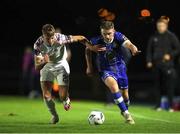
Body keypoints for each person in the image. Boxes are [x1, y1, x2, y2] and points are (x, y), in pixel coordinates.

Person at [34, 24, 93, 124]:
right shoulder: (38, 44)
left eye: (52, 38)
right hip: (47, 66)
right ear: (43, 36)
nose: (50, 41)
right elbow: (37, 67)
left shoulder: (61, 38)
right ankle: (54, 115)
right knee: (46, 96)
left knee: (62, 96)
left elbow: (80, 38)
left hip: (61, 65)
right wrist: (44, 62)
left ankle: (66, 99)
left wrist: (91, 47)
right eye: (48, 38)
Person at [85, 21, 140, 124]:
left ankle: (125, 108)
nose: (107, 36)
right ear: (101, 32)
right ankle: (126, 114)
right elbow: (87, 49)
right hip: (105, 69)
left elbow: (129, 44)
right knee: (114, 87)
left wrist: (133, 49)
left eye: (109, 33)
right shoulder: (96, 40)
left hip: (120, 68)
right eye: (104, 33)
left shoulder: (118, 36)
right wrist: (89, 66)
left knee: (125, 96)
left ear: (113, 31)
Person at [146, 16, 180, 112]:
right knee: (157, 85)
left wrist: (170, 55)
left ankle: (170, 106)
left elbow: (178, 49)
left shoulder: (171, 36)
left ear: (166, 26)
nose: (160, 27)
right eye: (158, 26)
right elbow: (149, 50)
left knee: (169, 86)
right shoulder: (154, 36)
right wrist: (149, 61)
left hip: (168, 65)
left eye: (161, 26)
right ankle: (158, 106)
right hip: (156, 65)